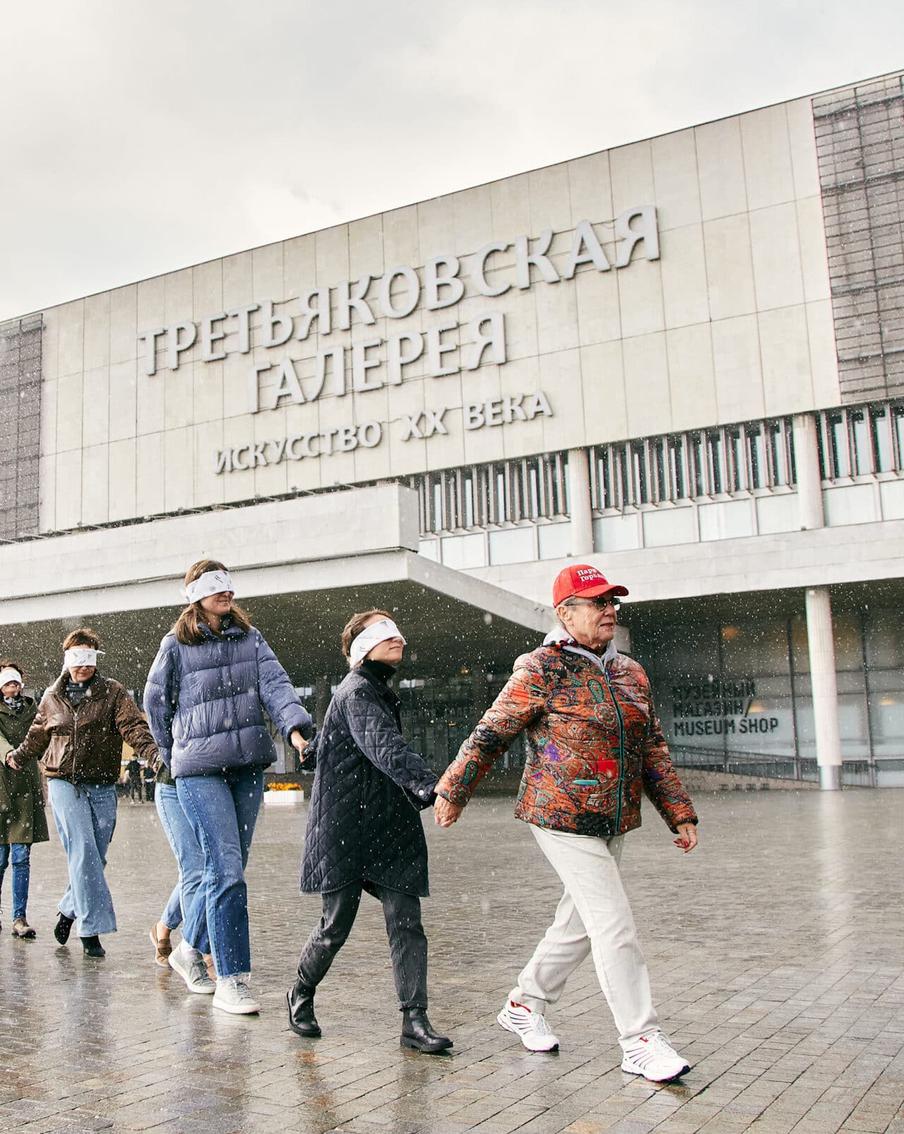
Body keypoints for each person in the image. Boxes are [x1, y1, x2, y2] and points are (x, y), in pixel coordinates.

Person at [434, 564, 699, 1083]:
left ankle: (524, 1003)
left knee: (578, 924)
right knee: (614, 924)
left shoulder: (631, 672)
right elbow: (492, 732)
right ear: (565, 613)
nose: (609, 610)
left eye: (611, 601)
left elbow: (652, 748)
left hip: (613, 815)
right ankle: (640, 1039)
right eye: (596, 602)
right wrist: (454, 789)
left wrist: (678, 812)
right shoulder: (541, 668)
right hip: (558, 811)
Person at [144, 559, 313, 1015]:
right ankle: (232, 980)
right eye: (214, 586)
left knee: (231, 867)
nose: (226, 592)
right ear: (194, 595)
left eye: (228, 585)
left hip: (246, 768)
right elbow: (155, 703)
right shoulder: (175, 644)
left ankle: (189, 948)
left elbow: (276, 686)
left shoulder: (251, 639)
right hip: (199, 771)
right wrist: (175, 753)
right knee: (225, 869)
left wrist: (296, 731)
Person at [288, 610, 452, 1055]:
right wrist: (432, 786)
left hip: (387, 824)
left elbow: (341, 741)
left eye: (397, 629)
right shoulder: (357, 690)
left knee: (406, 921)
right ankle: (300, 991)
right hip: (345, 826)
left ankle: (414, 1020)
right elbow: (383, 745)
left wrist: (311, 746)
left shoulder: (371, 691)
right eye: (383, 631)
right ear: (360, 647)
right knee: (335, 924)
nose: (397, 637)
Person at [3, 629, 158, 958]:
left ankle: (68, 908)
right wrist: (18, 756)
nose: (83, 665)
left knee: (95, 856)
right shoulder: (51, 697)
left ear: (96, 659)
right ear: (66, 660)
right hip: (63, 782)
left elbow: (133, 726)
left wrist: (152, 754)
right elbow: (37, 735)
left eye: (89, 658)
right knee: (84, 851)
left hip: (102, 784)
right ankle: (90, 930)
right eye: (77, 658)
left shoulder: (113, 693)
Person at [148, 760, 215, 983]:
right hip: (173, 785)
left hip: (209, 785)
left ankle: (163, 927)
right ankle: (199, 951)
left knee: (208, 868)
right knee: (194, 869)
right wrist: (156, 756)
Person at [0, 660, 50, 938]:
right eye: (8, 682)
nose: (13, 687)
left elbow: (43, 737)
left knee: (21, 857)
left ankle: (19, 918)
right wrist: (9, 754)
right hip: (2, 788)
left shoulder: (34, 710)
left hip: (25, 789)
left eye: (16, 682)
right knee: (0, 859)